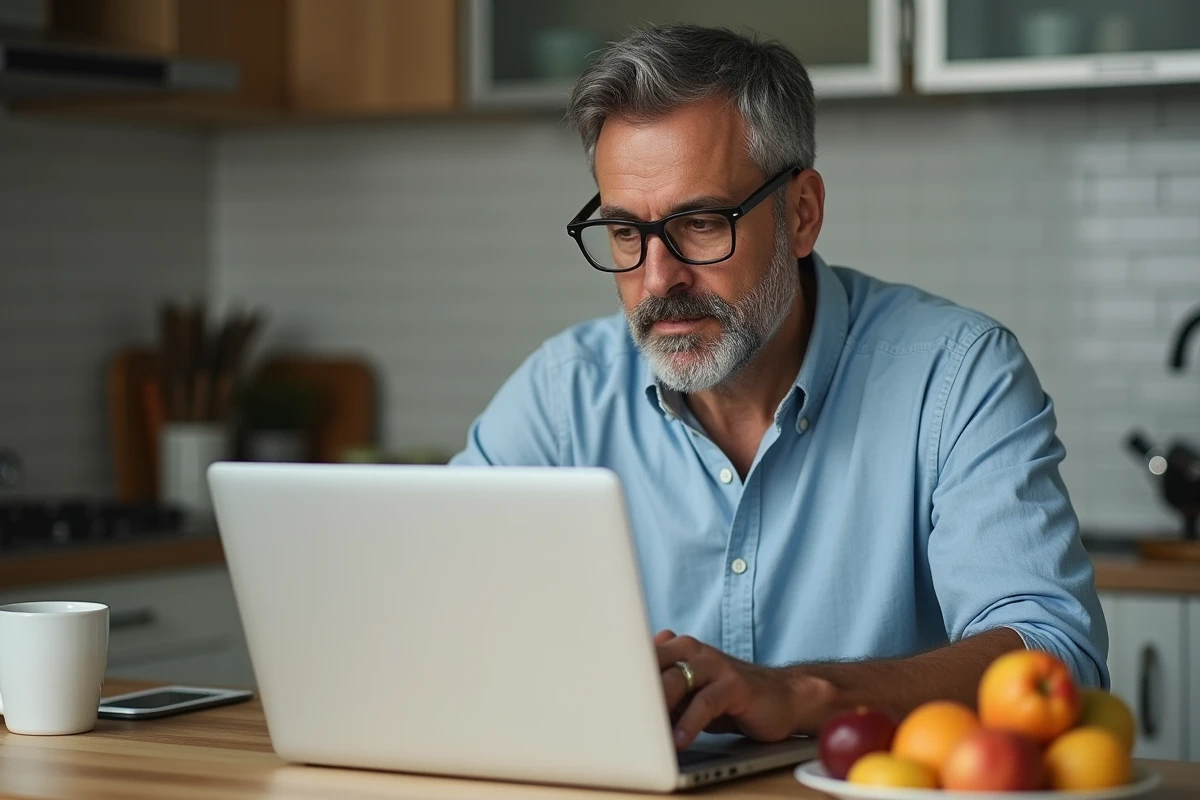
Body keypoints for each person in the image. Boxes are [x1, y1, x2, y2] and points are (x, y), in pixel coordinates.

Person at [450, 24, 1107, 750]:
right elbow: (432, 608)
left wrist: (802, 695)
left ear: (801, 214)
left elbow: (1057, 659)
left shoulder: (956, 377)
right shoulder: (561, 395)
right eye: (626, 232)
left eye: (700, 223)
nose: (657, 278)